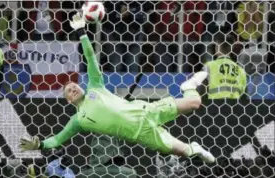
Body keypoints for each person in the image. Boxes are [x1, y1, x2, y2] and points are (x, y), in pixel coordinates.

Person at [19, 10, 215, 164]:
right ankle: (194, 148)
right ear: (69, 100)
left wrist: (81, 32)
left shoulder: (95, 87)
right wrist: (40, 144)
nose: (74, 88)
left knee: (195, 102)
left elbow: (89, 58)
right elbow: (57, 140)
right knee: (184, 151)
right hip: (141, 134)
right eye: (69, 91)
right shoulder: (78, 120)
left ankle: (188, 85)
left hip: (146, 110)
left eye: (75, 86)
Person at [200, 33, 247, 99]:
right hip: (236, 107)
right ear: (232, 48)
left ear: (217, 47)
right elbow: (244, 94)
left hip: (213, 105)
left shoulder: (209, 66)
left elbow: (202, 90)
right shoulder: (241, 70)